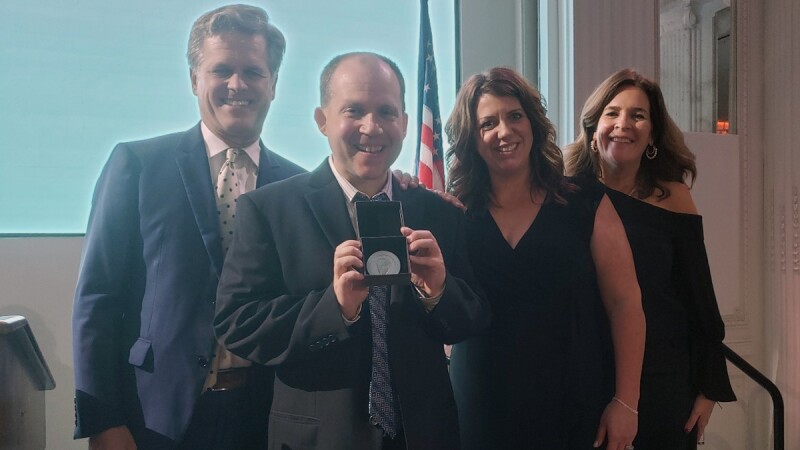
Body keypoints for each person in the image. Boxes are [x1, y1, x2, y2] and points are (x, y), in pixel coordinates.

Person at [213, 52, 490, 450]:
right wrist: (334, 308)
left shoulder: (438, 213)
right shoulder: (270, 210)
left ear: (405, 124)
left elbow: (473, 319)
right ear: (322, 120)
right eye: (354, 110)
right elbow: (236, 322)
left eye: (386, 112)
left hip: (425, 435)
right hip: (317, 438)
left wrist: (439, 291)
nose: (371, 127)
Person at [71, 5, 306, 449]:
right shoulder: (138, 165)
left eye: (253, 72)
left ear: (273, 84)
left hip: (266, 420)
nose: (237, 84)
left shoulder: (299, 186)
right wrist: (104, 420)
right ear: (195, 79)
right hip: (153, 418)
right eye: (222, 70)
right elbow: (97, 299)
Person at [446, 67, 646, 450]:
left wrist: (627, 402)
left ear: (534, 123)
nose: (504, 131)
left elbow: (626, 304)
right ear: (472, 137)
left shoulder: (584, 201)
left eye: (514, 116)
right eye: (488, 123)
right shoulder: (456, 214)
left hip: (572, 405)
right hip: (477, 408)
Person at [565, 68, 736, 450]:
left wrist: (708, 388)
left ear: (653, 134)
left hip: (666, 379)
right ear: (593, 128)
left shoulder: (674, 196)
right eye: (612, 113)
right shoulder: (567, 195)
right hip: (587, 371)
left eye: (637, 115)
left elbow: (700, 298)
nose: (623, 124)